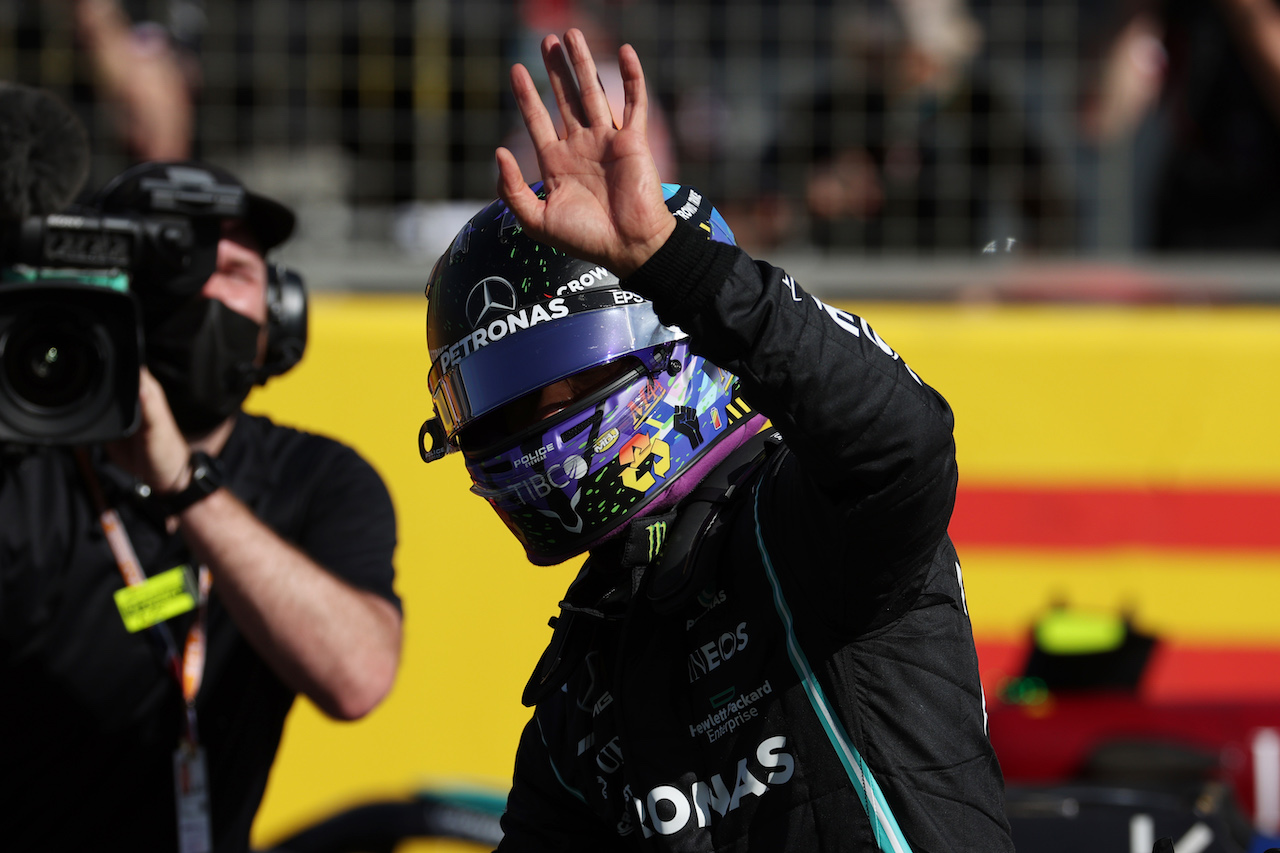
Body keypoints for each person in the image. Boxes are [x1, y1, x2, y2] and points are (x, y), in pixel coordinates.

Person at [417, 28, 1012, 851]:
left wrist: (668, 263)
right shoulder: (581, 690)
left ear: (671, 341)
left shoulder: (813, 526)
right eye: (495, 410)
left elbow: (905, 441)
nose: (527, 433)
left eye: (557, 387)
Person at [0, 159, 403, 852]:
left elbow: (358, 674)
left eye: (237, 272)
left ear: (278, 312)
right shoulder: (27, 467)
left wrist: (185, 484)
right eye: (183, 269)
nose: (209, 295)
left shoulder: (316, 477)